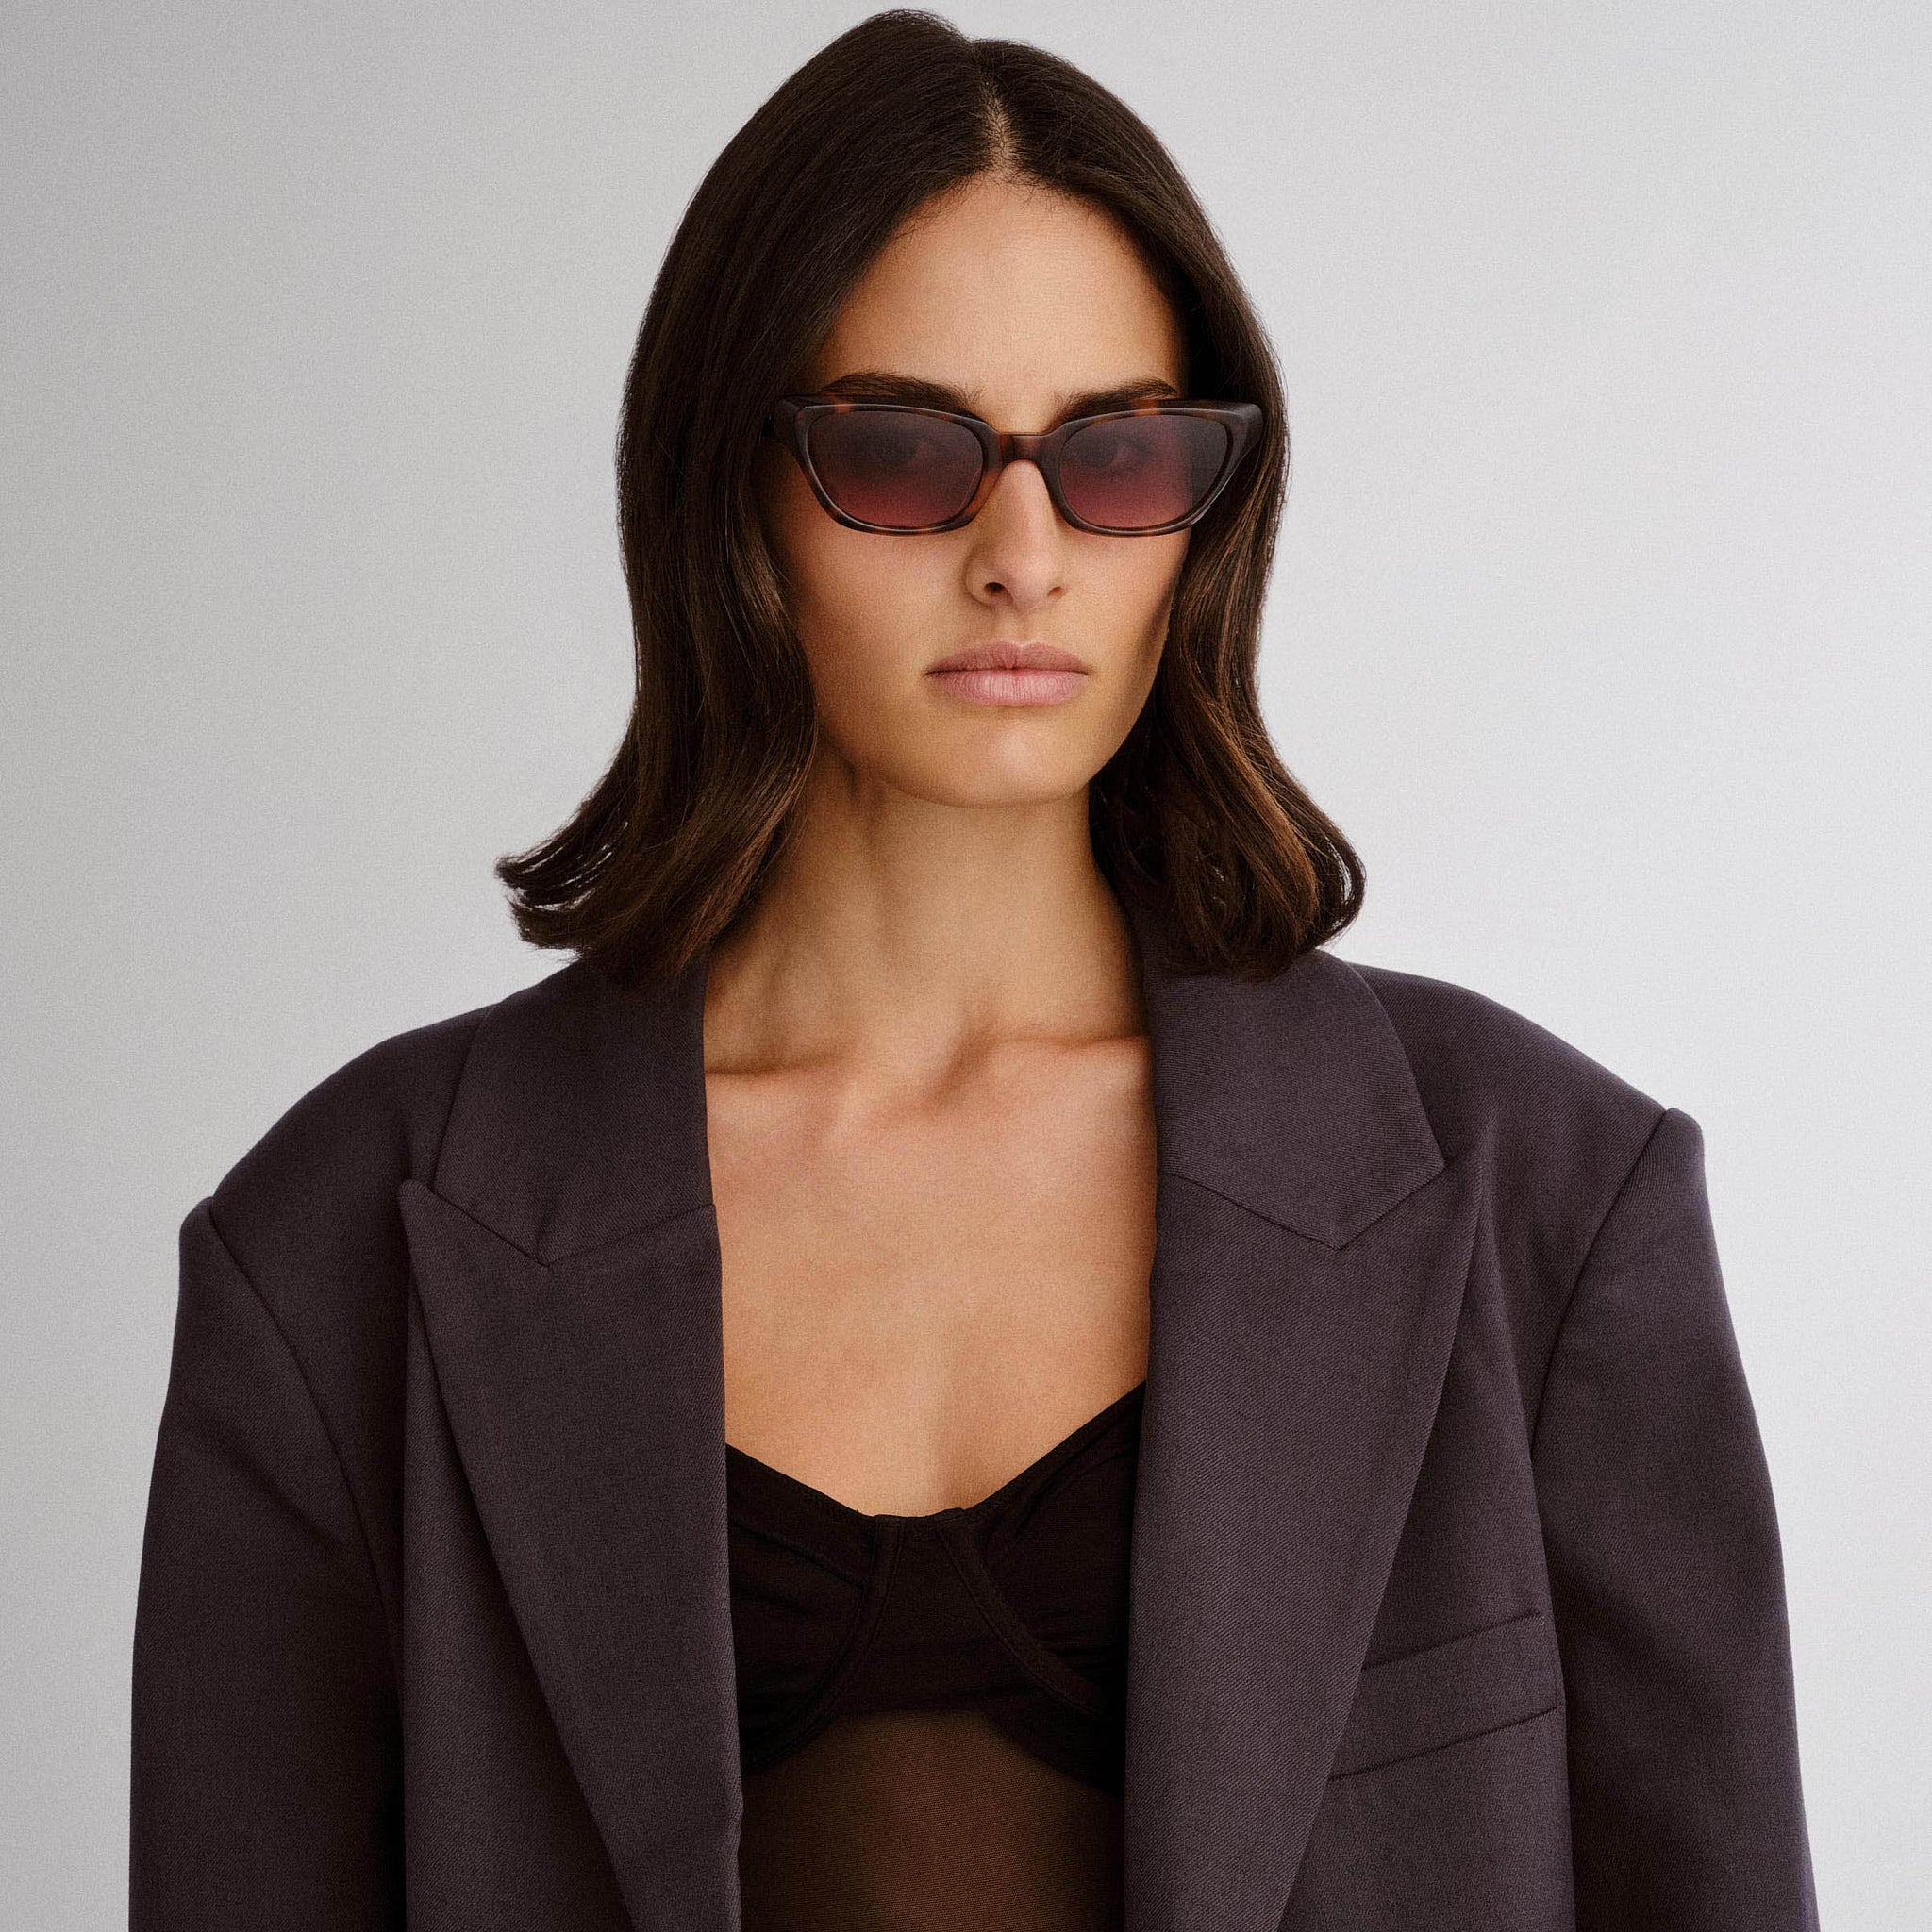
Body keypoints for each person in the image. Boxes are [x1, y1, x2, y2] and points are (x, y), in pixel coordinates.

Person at [128, 11, 1820, 1930]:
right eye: (903, 451)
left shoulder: (1552, 1205)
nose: (1024, 554)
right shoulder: (338, 1251)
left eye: (1118, 453)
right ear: (725, 486)